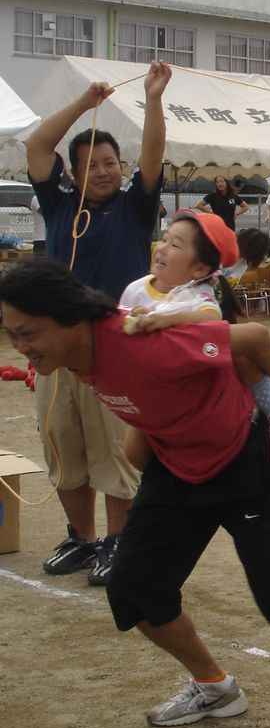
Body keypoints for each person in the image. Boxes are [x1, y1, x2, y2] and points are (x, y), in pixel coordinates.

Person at [0, 257, 270, 726]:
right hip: (176, 468)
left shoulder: (144, 342)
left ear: (69, 317)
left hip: (242, 463)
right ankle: (215, 687)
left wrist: (262, 400)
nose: (20, 345)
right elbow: (147, 404)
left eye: (28, 333)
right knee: (134, 587)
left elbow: (257, 338)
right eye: (11, 333)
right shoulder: (74, 357)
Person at [24, 59, 172, 585]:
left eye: (111, 162)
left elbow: (154, 154)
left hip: (115, 347)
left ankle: (117, 542)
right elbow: (37, 148)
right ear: (75, 172)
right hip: (58, 349)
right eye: (94, 165)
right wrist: (83, 106)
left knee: (116, 452)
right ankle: (81, 538)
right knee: (64, 444)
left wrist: (153, 100)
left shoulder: (136, 206)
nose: (105, 170)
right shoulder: (60, 205)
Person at [120, 209, 270, 460]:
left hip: (200, 368)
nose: (161, 247)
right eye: (163, 239)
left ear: (199, 268)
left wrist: (164, 319)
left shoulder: (198, 292)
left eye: (174, 244)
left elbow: (211, 316)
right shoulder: (136, 288)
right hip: (160, 382)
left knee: (245, 363)